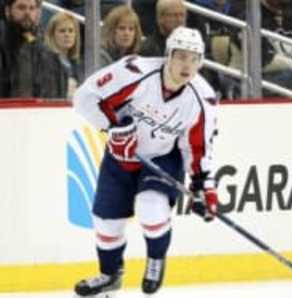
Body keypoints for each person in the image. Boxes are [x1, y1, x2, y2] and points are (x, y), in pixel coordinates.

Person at [72, 26, 219, 297]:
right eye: (181, 56)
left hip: (164, 157)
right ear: (168, 55)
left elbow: (198, 147)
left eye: (194, 58)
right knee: (106, 220)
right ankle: (109, 275)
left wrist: (204, 187)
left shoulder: (203, 99)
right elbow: (84, 98)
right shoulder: (134, 72)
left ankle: (155, 260)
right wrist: (112, 128)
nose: (187, 65)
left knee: (150, 206)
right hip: (121, 155)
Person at [0, 0, 67, 99]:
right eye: (21, 8)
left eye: (32, 8)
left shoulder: (48, 55)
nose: (27, 13)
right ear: (7, 11)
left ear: (38, 13)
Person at [44, 11, 83, 98]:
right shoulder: (46, 61)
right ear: (52, 35)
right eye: (62, 31)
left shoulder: (76, 62)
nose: (67, 34)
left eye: (71, 31)